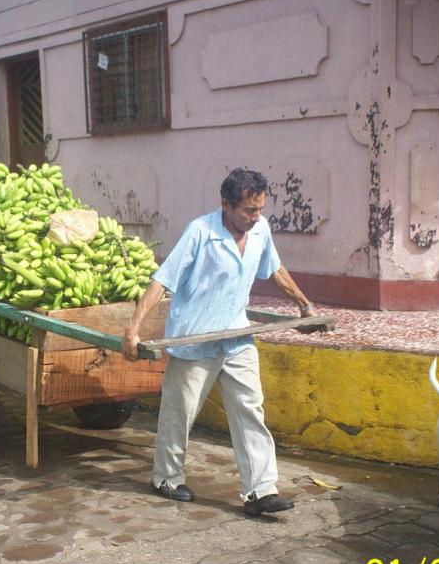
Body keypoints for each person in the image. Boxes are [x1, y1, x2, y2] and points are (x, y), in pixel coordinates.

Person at [122, 168, 316, 516]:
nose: (255, 217)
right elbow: (163, 280)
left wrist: (303, 304)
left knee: (250, 409)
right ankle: (166, 477)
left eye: (260, 209)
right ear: (225, 204)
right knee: (180, 413)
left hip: (236, 335)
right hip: (195, 339)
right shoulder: (200, 232)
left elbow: (274, 269)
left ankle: (260, 490)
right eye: (248, 210)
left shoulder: (260, 229)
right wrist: (133, 328)